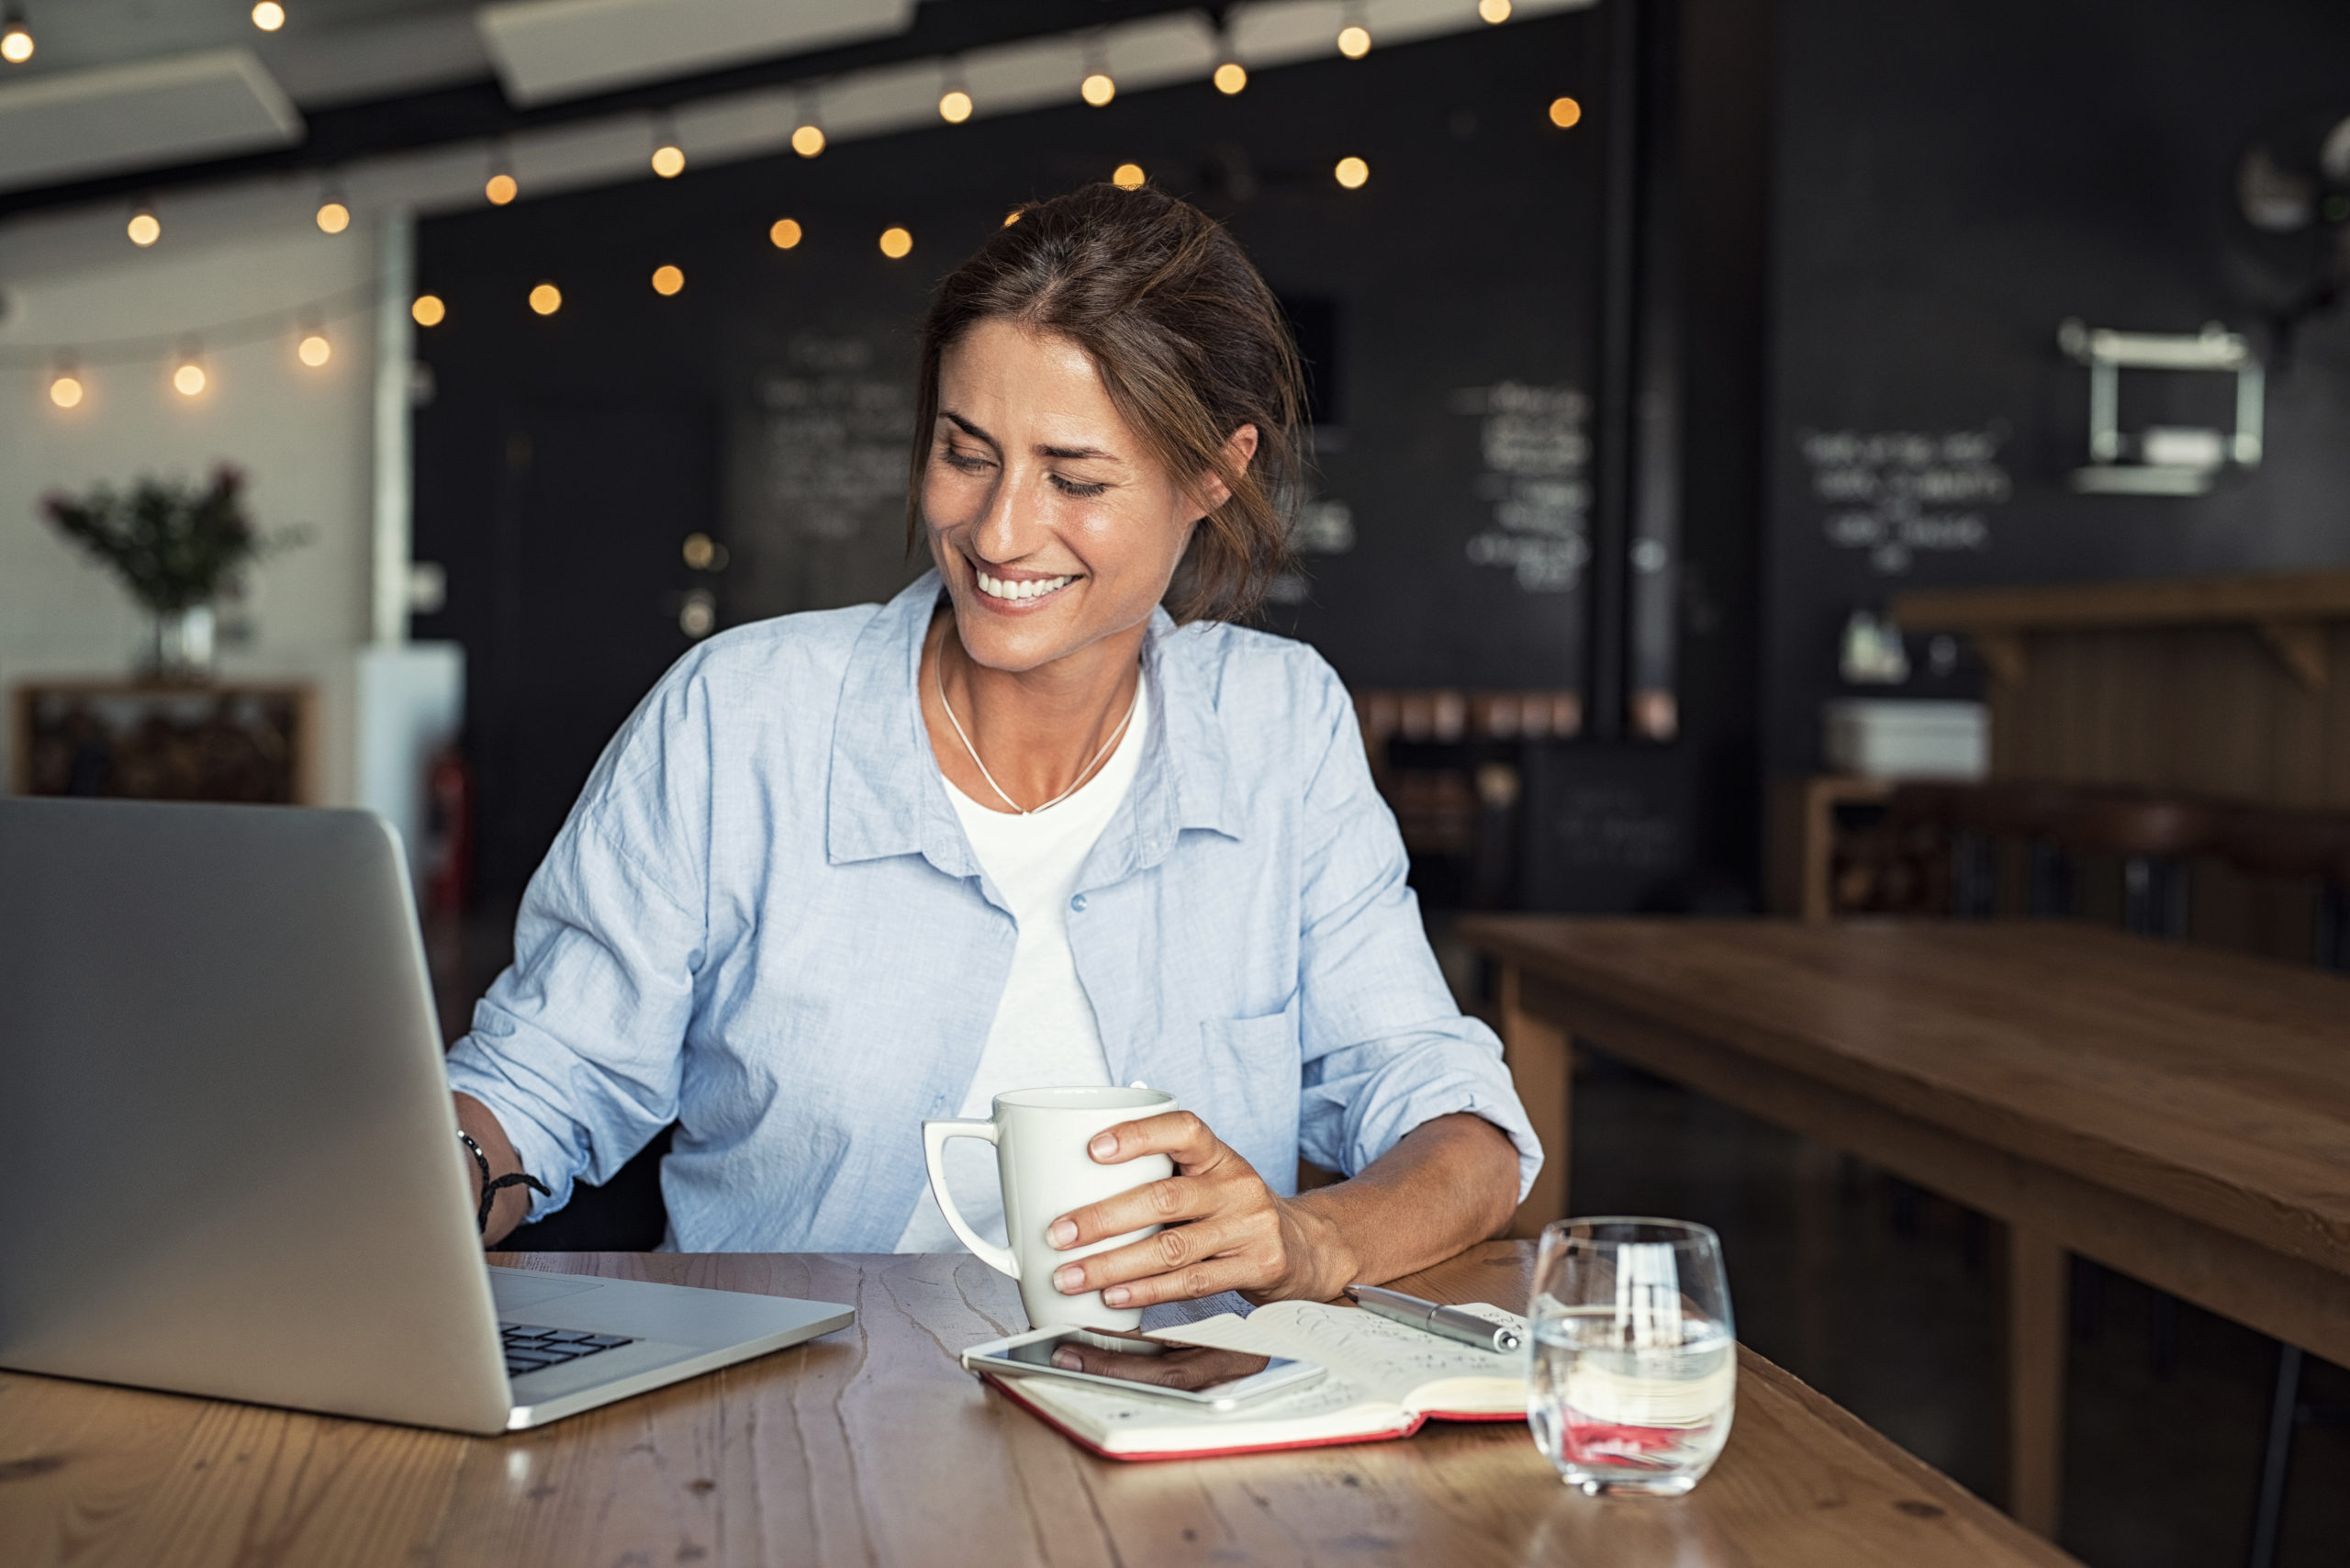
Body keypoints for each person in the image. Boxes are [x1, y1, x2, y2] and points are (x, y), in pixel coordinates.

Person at [445, 183, 1540, 1314]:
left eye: (1075, 479)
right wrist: (420, 1183)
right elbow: (542, 1076)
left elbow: (1457, 1128)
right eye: (967, 454)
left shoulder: (1278, 727)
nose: (1001, 531)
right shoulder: (743, 715)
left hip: (1183, 1441)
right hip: (790, 1428)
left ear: (1215, 475)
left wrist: (1311, 1239)